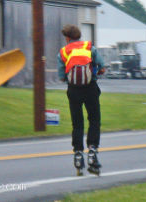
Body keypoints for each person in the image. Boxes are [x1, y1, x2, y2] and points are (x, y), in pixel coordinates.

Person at [57, 24, 105, 176]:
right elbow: (102, 66)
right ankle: (92, 150)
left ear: (67, 38)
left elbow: (61, 75)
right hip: (91, 88)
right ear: (79, 36)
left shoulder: (63, 52)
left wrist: (69, 78)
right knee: (94, 120)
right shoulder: (90, 48)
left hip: (74, 90)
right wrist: (96, 72)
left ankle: (78, 155)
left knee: (77, 123)